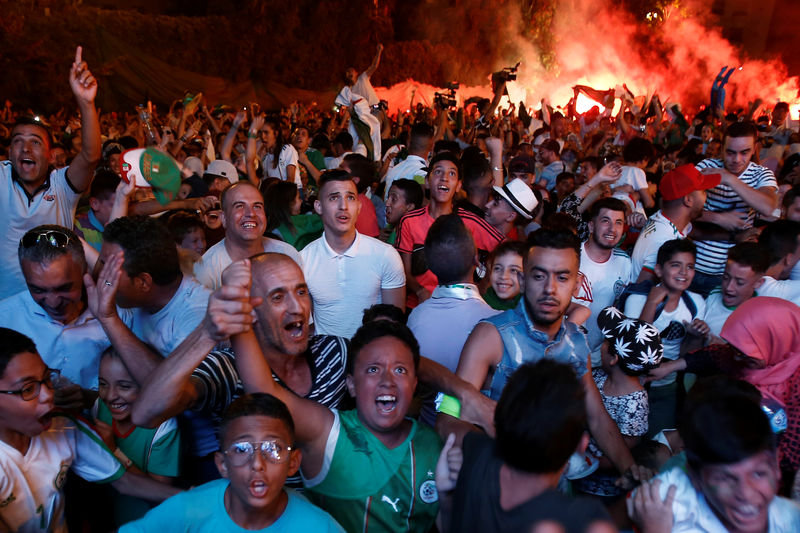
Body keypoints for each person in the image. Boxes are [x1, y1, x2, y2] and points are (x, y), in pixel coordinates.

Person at [230, 316, 442, 533]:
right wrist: (238, 313)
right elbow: (264, 392)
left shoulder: (433, 445)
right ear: (351, 385)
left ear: (414, 384)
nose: (387, 380)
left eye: (400, 370)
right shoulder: (329, 434)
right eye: (373, 369)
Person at [456, 228, 638, 477]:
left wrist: (631, 470)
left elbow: (596, 415)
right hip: (500, 482)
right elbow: (450, 418)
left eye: (562, 278)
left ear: (577, 285)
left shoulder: (576, 341)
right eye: (539, 276)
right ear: (523, 281)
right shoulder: (491, 336)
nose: (550, 289)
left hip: (555, 488)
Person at [0, 328, 180, 532]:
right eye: (28, 389)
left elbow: (124, 481)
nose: (48, 395)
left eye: (47, 379)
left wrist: (194, 498)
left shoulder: (65, 427)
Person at [119, 393, 344, 532]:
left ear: (293, 462)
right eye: (241, 449)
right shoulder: (189, 509)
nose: (257, 464)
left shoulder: (319, 527)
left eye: (273, 448)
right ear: (222, 464)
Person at [440, 360, 615, 533]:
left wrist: (446, 501)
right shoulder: (584, 521)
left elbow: (446, 424)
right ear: (581, 445)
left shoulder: (476, 452)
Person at [628, 376, 800, 533]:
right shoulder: (666, 501)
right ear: (695, 478)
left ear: (776, 465)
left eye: (758, 474)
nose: (746, 494)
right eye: (725, 478)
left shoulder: (792, 519)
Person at [0, 47, 101, 299]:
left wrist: (86, 103)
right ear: (9, 153)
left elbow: (90, 156)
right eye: (18, 141)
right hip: (6, 304)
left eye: (35, 142)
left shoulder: (62, 185)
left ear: (50, 155)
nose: (25, 147)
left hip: (57, 303)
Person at [0, 225, 110, 407]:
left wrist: (92, 400)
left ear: (84, 272)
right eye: (38, 290)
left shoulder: (117, 317)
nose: (53, 302)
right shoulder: (4, 319)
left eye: (64, 288)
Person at [407, 215, 500, 422]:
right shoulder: (496, 322)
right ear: (476, 260)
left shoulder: (416, 318)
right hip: (475, 439)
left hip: (428, 433)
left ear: (429, 266)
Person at [300, 170, 405, 338]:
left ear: (359, 207)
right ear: (318, 207)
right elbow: (307, 327)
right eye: (334, 198)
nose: (344, 206)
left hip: (372, 358)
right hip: (325, 358)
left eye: (350, 198)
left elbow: (395, 326)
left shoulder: (385, 255)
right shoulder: (303, 260)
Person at [574, 307, 663, 499]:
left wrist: (586, 462)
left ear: (614, 358)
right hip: (576, 476)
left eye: (606, 342)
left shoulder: (636, 402)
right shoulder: (596, 376)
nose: (602, 346)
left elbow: (627, 447)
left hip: (603, 490)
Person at [395, 152, 504, 307]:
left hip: (460, 305)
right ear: (427, 181)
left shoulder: (469, 221)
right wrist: (420, 291)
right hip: (418, 305)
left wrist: (484, 283)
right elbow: (404, 270)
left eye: (452, 174)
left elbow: (505, 248)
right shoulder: (409, 221)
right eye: (438, 172)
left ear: (459, 185)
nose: (444, 178)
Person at [623, 239, 708, 436]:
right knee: (628, 438)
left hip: (666, 386)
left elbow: (687, 356)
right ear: (659, 270)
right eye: (676, 265)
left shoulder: (695, 303)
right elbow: (635, 349)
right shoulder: (639, 298)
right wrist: (652, 302)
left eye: (690, 267)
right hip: (632, 384)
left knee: (658, 440)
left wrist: (695, 337)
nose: (683, 273)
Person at [93, 346, 181, 525]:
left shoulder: (163, 428)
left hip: (142, 522)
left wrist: (113, 450)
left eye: (124, 386)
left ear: (149, 386)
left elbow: (159, 494)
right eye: (103, 384)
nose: (110, 396)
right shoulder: (100, 407)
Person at [691, 122, 779, 296]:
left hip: (728, 275)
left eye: (744, 152)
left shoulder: (761, 174)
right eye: (730, 152)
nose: (737, 159)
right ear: (722, 148)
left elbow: (768, 207)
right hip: (692, 265)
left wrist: (729, 179)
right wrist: (718, 218)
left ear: (754, 149)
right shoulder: (707, 166)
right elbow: (677, 206)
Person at [193, 182, 302, 290]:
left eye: (257, 206)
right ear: (224, 218)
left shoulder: (287, 254)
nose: (251, 213)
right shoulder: (205, 271)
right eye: (239, 206)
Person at [630, 164, 720, 283]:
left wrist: (732, 236)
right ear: (688, 200)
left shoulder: (663, 217)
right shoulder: (663, 241)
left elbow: (694, 231)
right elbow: (641, 290)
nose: (706, 196)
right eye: (703, 191)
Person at [571, 198, 632, 367]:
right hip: (562, 351)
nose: (612, 229)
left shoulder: (625, 262)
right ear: (591, 226)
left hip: (597, 357)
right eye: (605, 221)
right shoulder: (570, 255)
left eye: (618, 222)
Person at [702, 242, 767, 338]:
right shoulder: (714, 295)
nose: (729, 287)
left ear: (758, 283)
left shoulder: (759, 317)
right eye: (725, 277)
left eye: (739, 283)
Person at [338, 44, 384, 162]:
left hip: (374, 111)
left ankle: (376, 162)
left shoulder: (363, 78)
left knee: (372, 138)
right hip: (363, 116)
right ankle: (370, 162)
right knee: (366, 140)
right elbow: (349, 110)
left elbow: (374, 66)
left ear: (356, 72)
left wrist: (379, 51)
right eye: (347, 72)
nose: (349, 73)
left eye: (350, 70)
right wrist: (341, 125)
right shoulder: (350, 92)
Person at [73, 169, 120, 251]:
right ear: (95, 204)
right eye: (116, 206)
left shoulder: (126, 225)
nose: (122, 211)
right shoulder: (78, 229)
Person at [382, 122, 433, 197]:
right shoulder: (420, 172)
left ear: (408, 143)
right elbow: (420, 180)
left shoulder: (395, 169)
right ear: (432, 146)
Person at [482, 240, 527, 311]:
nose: (503, 276)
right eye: (497, 268)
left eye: (513, 270)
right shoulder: (481, 306)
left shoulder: (532, 309)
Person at [382, 178, 423, 245]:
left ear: (409, 207)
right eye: (388, 197)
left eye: (393, 199)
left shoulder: (408, 235)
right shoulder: (391, 227)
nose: (387, 203)